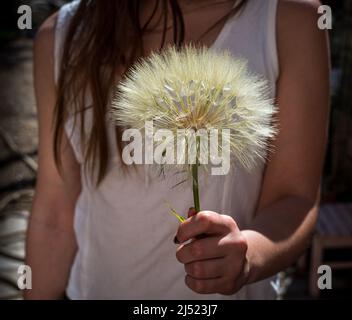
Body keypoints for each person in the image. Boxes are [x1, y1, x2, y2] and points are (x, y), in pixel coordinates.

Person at [25, 0, 330, 299]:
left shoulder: (292, 18)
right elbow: (54, 212)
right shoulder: (62, 36)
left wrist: (248, 255)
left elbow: (296, 197)